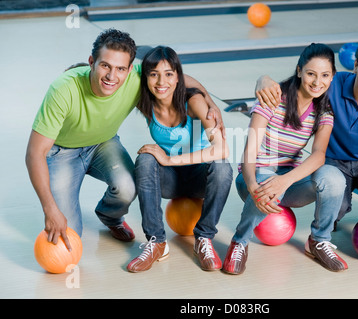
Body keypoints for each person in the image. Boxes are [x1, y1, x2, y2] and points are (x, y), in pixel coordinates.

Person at [25, 29, 225, 251]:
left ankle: (110, 216)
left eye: (120, 68)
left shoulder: (137, 77)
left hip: (103, 144)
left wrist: (209, 102)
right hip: (62, 152)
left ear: (130, 69)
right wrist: (50, 210)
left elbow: (178, 78)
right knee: (67, 237)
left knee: (128, 185)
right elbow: (34, 153)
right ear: (92, 62)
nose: (112, 76)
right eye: (105, 66)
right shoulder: (62, 89)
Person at [256, 34, 358, 268]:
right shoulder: (331, 85)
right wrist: (264, 79)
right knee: (335, 208)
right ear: (355, 66)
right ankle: (323, 233)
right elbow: (297, 86)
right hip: (333, 161)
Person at [222, 43, 349, 275]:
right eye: (311, 73)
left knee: (334, 178)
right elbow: (249, 151)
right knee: (269, 183)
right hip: (254, 179)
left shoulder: (324, 109)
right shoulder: (274, 98)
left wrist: (284, 181)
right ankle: (239, 243)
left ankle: (319, 241)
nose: (317, 82)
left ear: (332, 78)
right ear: (299, 71)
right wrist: (252, 185)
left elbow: (319, 155)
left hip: (288, 182)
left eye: (325, 75)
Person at [126, 46, 233, 273]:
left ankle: (204, 238)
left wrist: (168, 160)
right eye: (153, 74)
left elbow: (222, 149)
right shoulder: (144, 102)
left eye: (168, 74)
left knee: (222, 167)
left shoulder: (193, 102)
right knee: (145, 159)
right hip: (170, 182)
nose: (161, 81)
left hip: (199, 178)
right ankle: (156, 242)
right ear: (145, 78)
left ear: (178, 78)